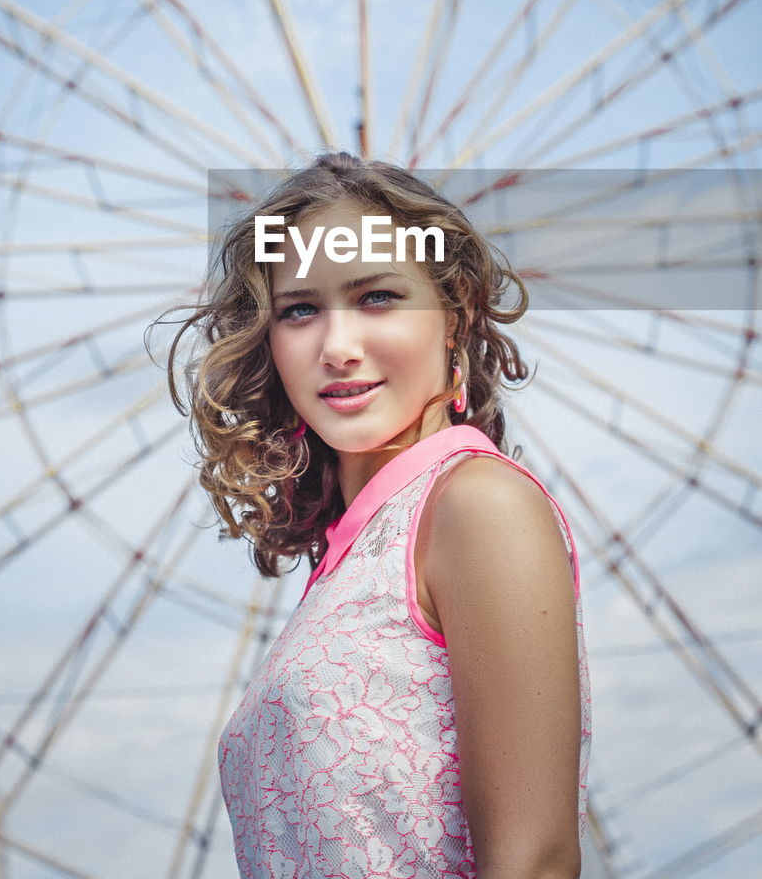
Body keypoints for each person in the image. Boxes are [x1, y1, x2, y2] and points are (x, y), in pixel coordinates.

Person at [164, 152, 591, 879]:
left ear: (453, 316)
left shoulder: (476, 506)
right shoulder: (350, 557)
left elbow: (534, 861)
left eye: (377, 298)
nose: (337, 348)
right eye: (299, 310)